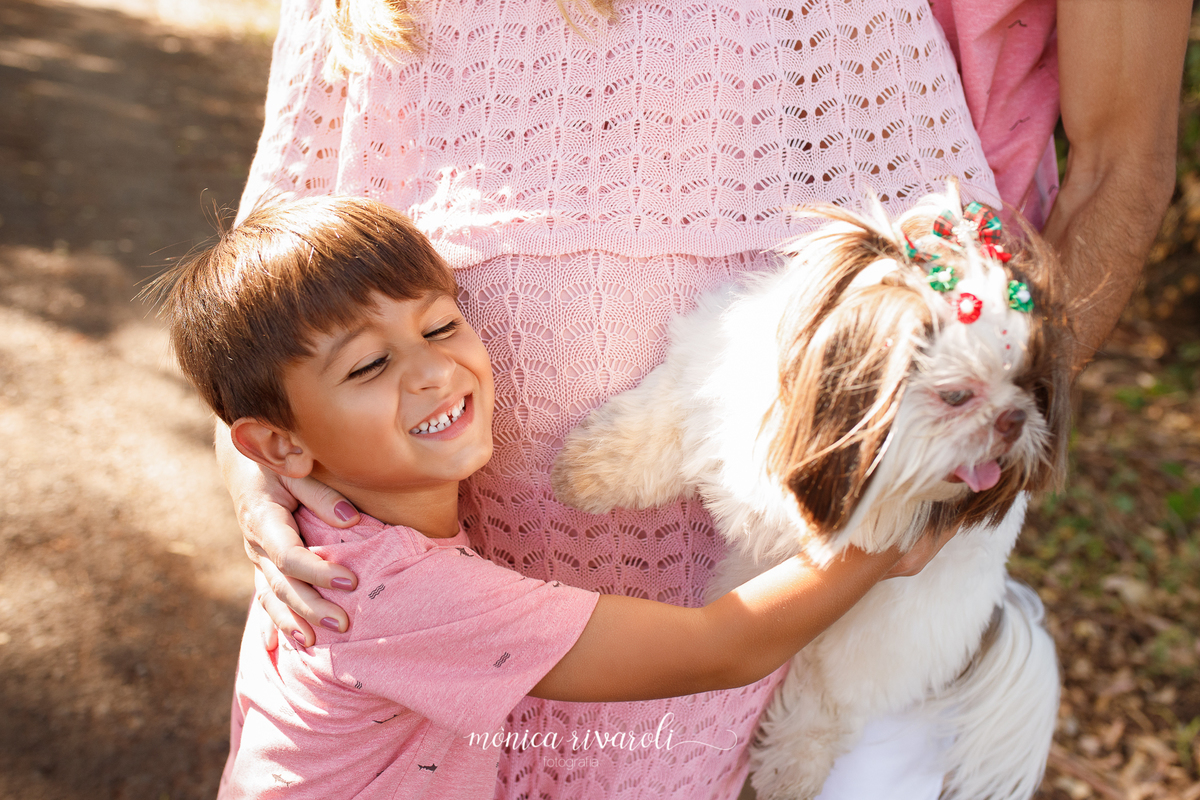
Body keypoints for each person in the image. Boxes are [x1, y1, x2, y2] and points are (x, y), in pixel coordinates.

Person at [219, 0, 1191, 797]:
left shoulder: (848, 25)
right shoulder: (360, 15)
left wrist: (917, 505)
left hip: (762, 670)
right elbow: (257, 303)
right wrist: (252, 470)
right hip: (435, 689)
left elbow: (970, 284)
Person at [163, 194, 941, 799]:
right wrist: (873, 546)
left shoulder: (328, 524)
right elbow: (721, 647)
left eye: (439, 327)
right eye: (368, 367)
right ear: (279, 446)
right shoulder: (397, 592)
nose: (431, 371)